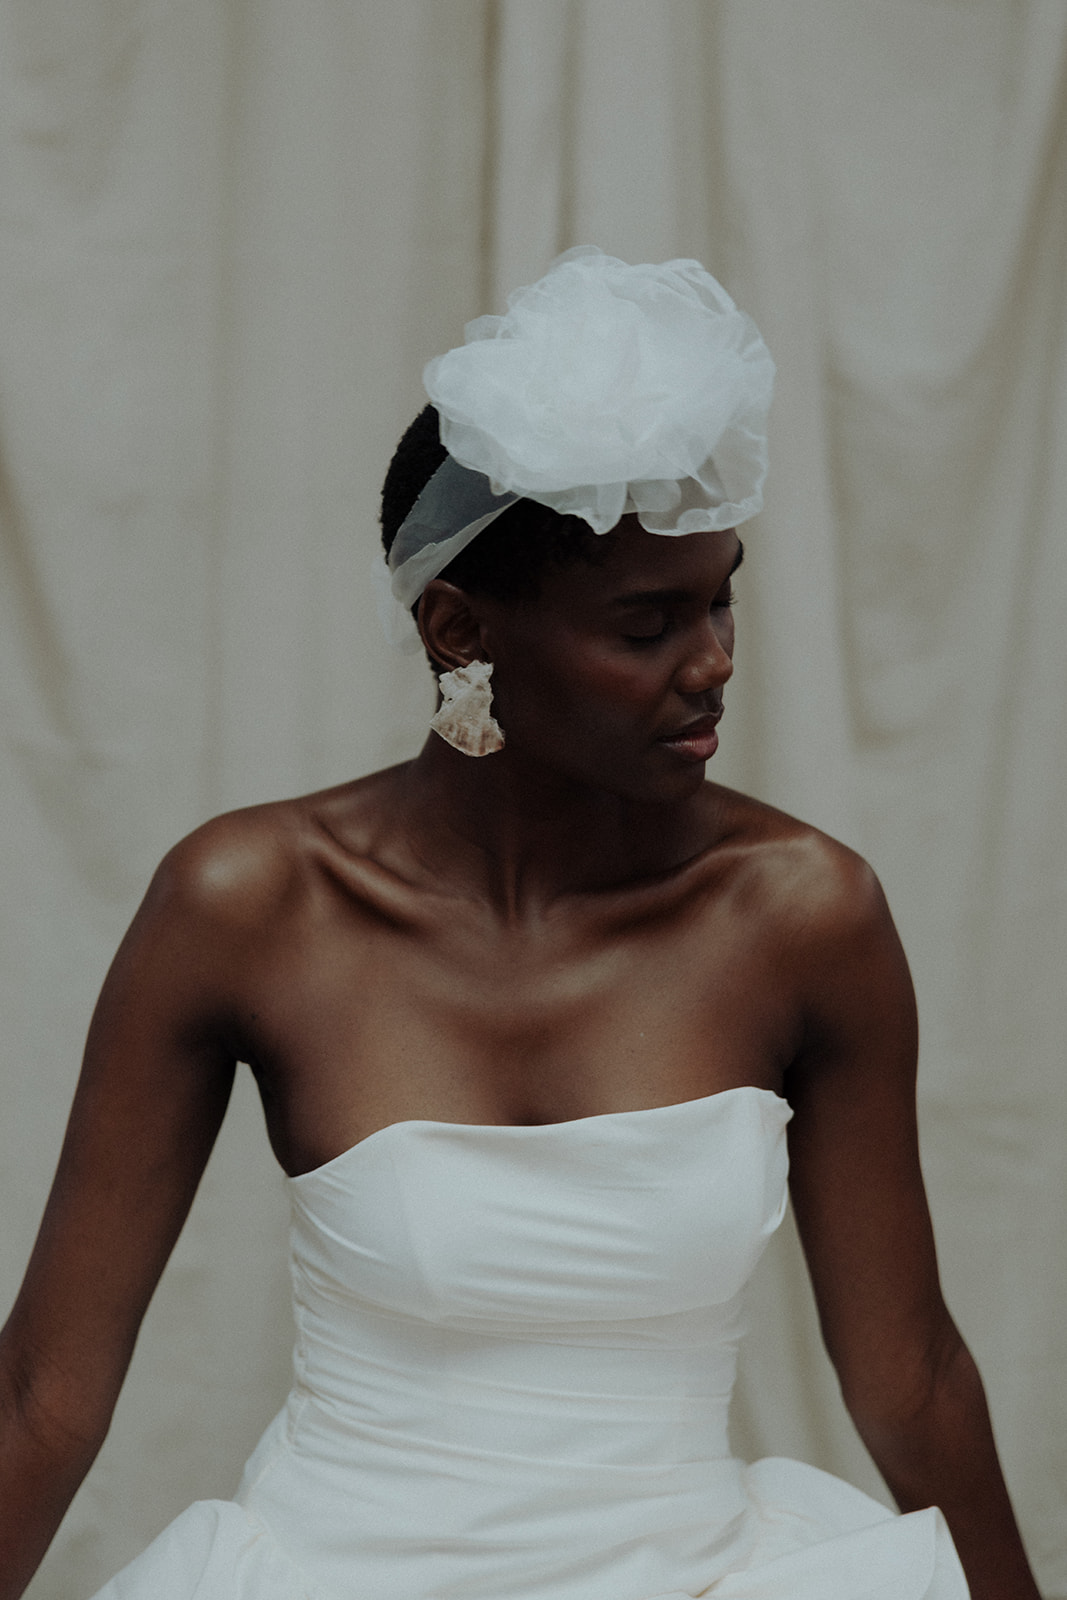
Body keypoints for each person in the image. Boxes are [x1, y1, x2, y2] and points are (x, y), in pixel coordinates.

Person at [0, 249, 1039, 1600]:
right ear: (456, 628)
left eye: (721, 595)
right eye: (648, 622)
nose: (716, 658)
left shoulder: (803, 915)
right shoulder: (250, 906)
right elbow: (45, 1394)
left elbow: (908, 1376)